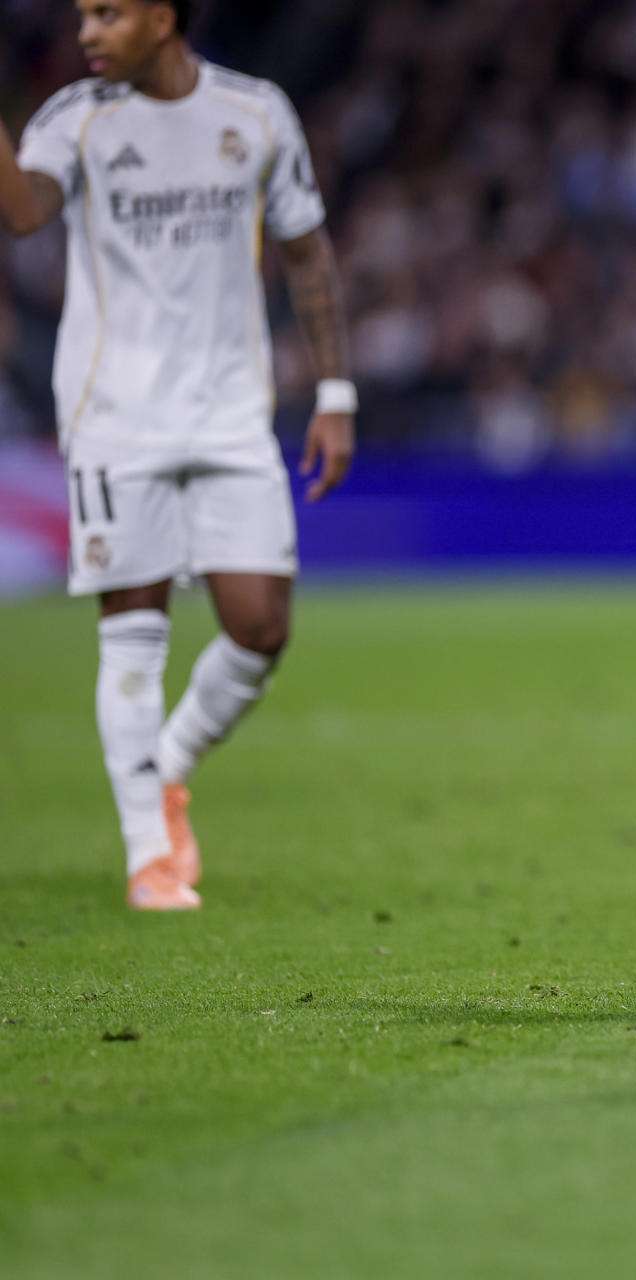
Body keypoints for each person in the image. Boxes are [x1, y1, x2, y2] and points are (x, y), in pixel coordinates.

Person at [0, 0, 356, 909]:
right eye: (82, 14)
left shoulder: (255, 114)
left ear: (162, 17)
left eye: (108, 13)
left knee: (261, 626)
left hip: (233, 415)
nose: (86, 32)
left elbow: (308, 255)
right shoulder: (76, 117)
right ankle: (148, 852)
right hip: (114, 416)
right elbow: (23, 213)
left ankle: (166, 764)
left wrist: (335, 393)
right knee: (133, 626)